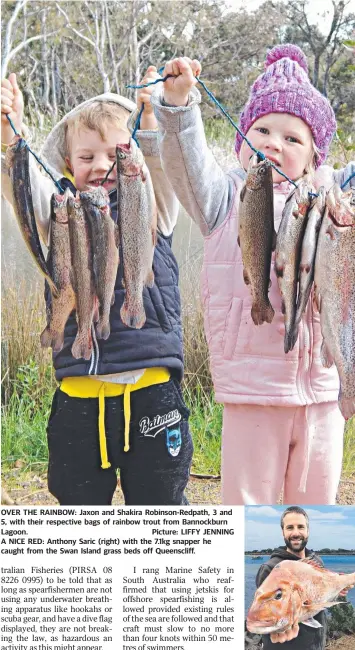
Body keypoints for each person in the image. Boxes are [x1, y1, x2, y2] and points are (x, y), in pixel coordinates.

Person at [150, 44, 355, 505]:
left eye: (292, 138)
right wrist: (179, 109)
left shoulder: (332, 204)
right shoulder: (224, 198)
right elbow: (187, 165)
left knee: (315, 513)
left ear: (315, 158)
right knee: (248, 511)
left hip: (324, 389)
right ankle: (248, 578)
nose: (273, 143)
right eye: (261, 130)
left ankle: (308, 577)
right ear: (242, 142)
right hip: (251, 390)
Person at [1, 68, 193, 506]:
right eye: (86, 157)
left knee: (163, 513)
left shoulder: (152, 204)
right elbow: (23, 190)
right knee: (78, 513)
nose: (102, 166)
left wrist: (149, 116)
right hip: (78, 398)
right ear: (67, 163)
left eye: (115, 153)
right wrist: (11, 135)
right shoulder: (59, 216)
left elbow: (160, 165)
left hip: (152, 392)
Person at [254, 506, 326, 648]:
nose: (295, 533)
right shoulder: (269, 569)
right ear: (283, 532)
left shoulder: (317, 562)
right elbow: (264, 613)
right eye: (289, 528)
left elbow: (322, 600)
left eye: (300, 527)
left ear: (308, 531)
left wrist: (338, 590)